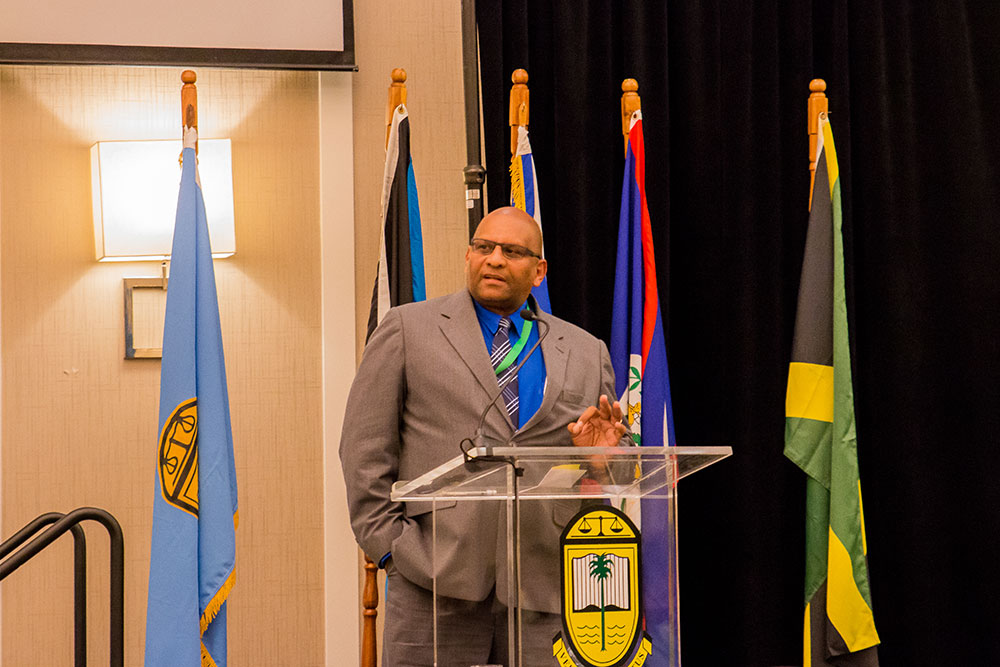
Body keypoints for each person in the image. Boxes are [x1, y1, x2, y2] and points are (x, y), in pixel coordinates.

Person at [340, 206, 628, 666]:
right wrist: (393, 550)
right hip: (433, 580)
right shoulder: (408, 329)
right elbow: (364, 451)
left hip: (545, 587)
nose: (494, 259)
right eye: (483, 247)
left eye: (511, 251)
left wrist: (604, 460)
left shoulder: (585, 350)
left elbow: (617, 469)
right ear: (468, 255)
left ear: (539, 271)